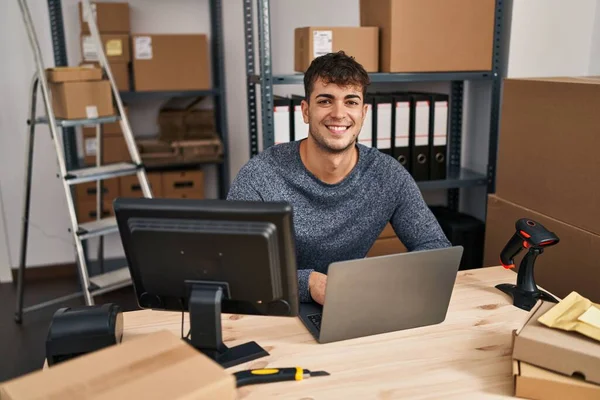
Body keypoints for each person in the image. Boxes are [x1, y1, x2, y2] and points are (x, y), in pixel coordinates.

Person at [227, 51, 450, 305]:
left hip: (350, 305)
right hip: (274, 306)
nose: (339, 114)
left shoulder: (388, 175)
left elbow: (435, 247)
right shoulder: (260, 177)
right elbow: (237, 266)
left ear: (364, 113)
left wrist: (382, 279)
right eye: (325, 101)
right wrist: (309, 283)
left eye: (351, 102)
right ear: (305, 110)